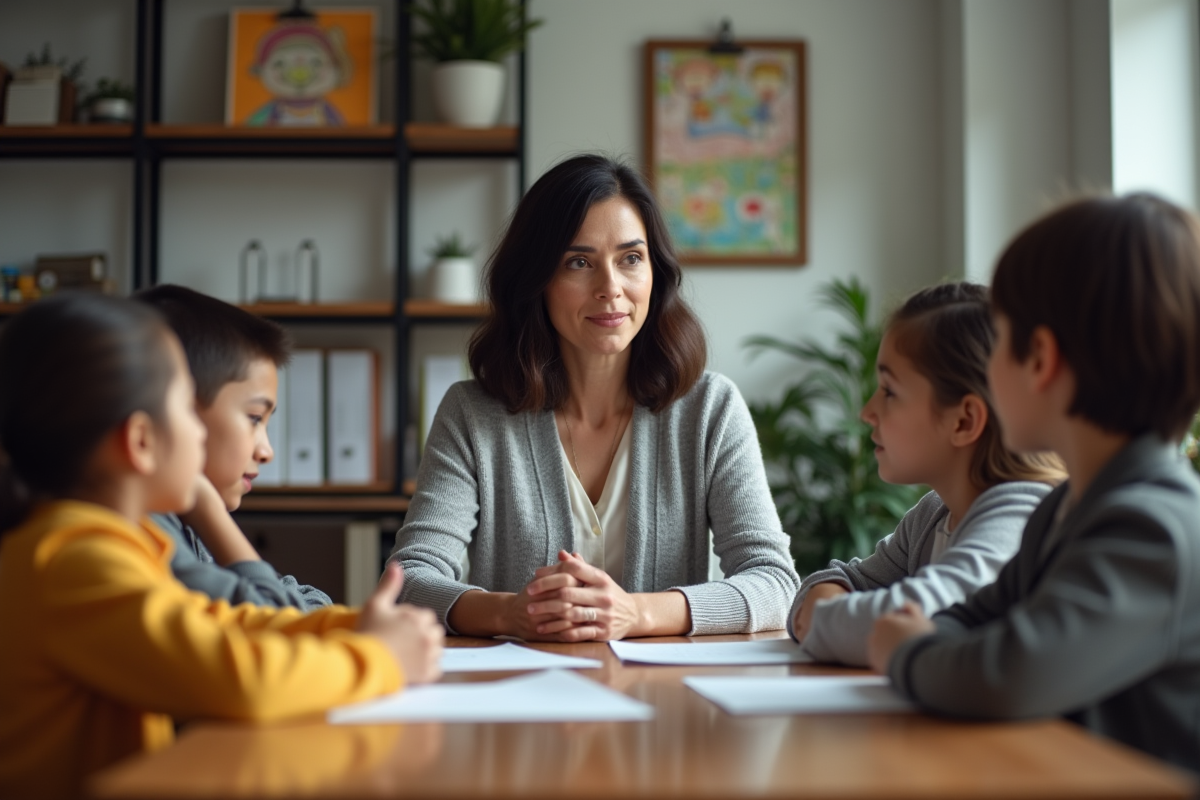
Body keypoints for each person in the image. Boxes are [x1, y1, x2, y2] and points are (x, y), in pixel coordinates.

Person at [0, 293, 443, 799]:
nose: (198, 431)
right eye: (186, 409)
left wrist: (349, 623)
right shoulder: (72, 561)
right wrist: (380, 658)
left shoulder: (112, 543)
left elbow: (224, 622)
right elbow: (244, 680)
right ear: (141, 441)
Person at [391, 154, 800, 641]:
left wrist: (637, 613)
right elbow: (406, 582)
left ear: (656, 272)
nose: (611, 289)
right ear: (536, 280)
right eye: (578, 262)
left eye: (630, 259)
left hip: (666, 705)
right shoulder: (472, 414)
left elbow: (776, 583)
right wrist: (509, 613)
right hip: (520, 702)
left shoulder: (710, 409)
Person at [868, 193, 1200, 774]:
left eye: (998, 338)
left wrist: (907, 650)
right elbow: (976, 617)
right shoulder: (1067, 509)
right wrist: (932, 635)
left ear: (1039, 359)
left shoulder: (1150, 530)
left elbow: (1005, 675)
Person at [788, 282, 1064, 666]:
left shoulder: (1022, 513)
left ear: (964, 420)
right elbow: (841, 583)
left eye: (888, 391)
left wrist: (821, 618)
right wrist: (826, 609)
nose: (866, 412)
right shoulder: (933, 514)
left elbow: (918, 622)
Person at [135, 284, 330, 609]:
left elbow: (312, 603)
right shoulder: (149, 529)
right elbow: (279, 618)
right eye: (254, 418)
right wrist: (212, 513)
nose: (266, 452)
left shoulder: (185, 522)